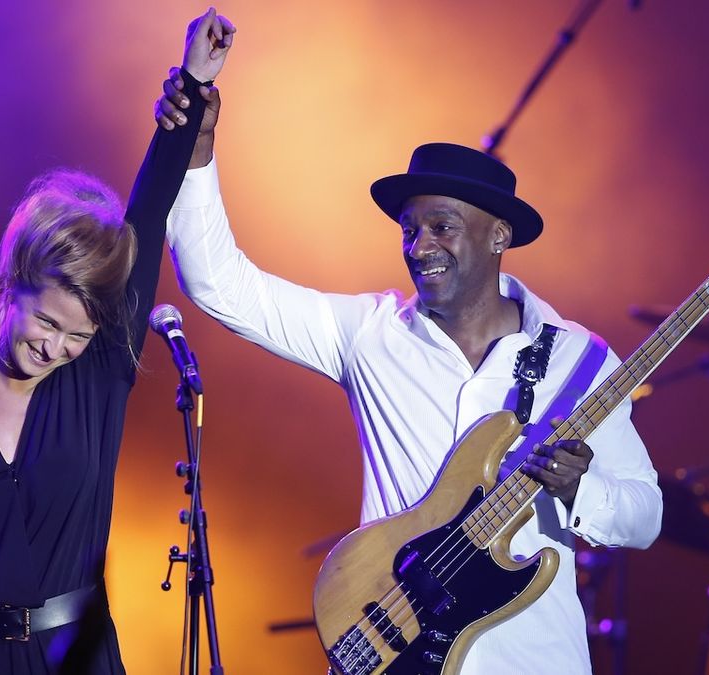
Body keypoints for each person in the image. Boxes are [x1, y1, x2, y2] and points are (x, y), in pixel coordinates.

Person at [153, 48, 662, 673]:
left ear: (498, 236)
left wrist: (582, 487)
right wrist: (197, 146)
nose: (419, 248)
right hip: (401, 653)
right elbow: (219, 285)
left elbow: (645, 515)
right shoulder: (370, 334)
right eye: (409, 229)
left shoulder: (581, 360)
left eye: (442, 227)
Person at [0, 9, 236, 674]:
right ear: (14, 283)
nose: (57, 346)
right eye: (48, 323)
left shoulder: (98, 376)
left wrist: (195, 80)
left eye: (78, 334)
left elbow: (144, 218)